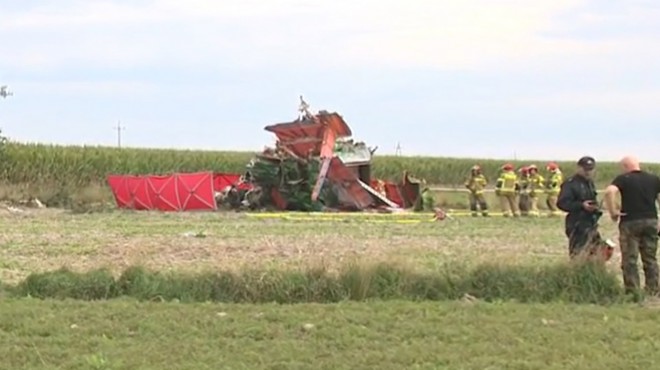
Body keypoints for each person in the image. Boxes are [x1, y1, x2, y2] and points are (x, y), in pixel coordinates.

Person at [604, 156, 660, 295]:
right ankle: (653, 290)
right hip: (651, 220)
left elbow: (610, 191)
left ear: (625, 166)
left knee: (630, 258)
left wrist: (613, 212)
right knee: (650, 258)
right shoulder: (653, 179)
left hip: (630, 222)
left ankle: (633, 290)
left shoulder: (623, 179)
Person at [556, 156, 608, 258]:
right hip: (577, 224)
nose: (587, 172)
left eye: (590, 169)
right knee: (578, 254)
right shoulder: (570, 184)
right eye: (585, 169)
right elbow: (562, 203)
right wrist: (581, 205)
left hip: (590, 223)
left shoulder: (589, 183)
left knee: (596, 254)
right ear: (578, 168)